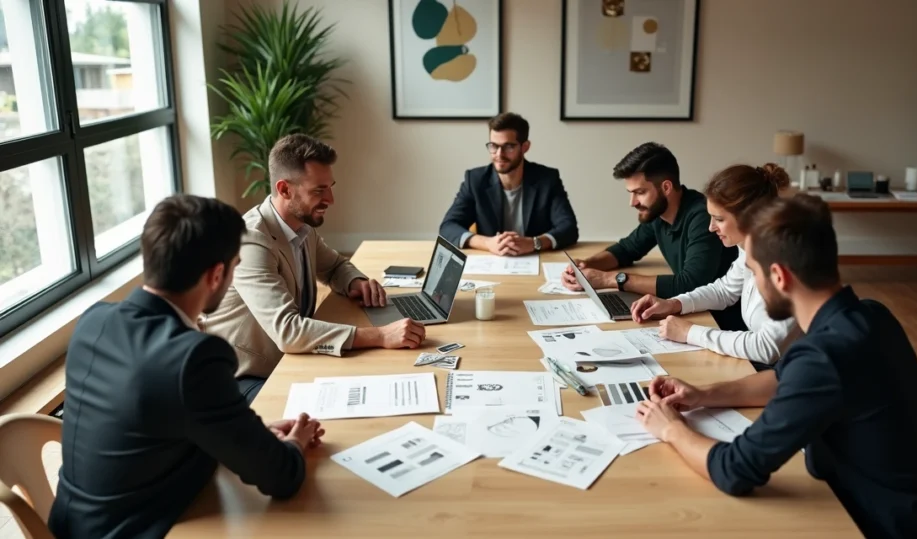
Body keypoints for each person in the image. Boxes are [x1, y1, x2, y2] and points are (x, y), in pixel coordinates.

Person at [634, 194, 917, 539]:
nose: (752, 283)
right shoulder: (871, 315)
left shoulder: (822, 357)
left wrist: (671, 429)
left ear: (779, 277)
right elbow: (780, 380)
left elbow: (734, 469)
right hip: (911, 516)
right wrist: (703, 395)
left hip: (871, 527)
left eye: (753, 271)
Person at [50, 194, 325, 539]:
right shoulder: (195, 358)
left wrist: (249, 436)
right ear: (217, 275)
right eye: (235, 266)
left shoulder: (94, 321)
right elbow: (281, 478)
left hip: (72, 526)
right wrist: (295, 442)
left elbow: (150, 423)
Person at [203, 134, 425, 403]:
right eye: (319, 190)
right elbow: (288, 332)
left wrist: (356, 282)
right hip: (245, 377)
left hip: (290, 360)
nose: (330, 199)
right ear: (285, 190)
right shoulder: (252, 242)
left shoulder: (302, 228)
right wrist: (380, 335)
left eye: (330, 187)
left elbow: (335, 266)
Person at [629, 163, 802, 368]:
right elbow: (724, 290)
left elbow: (766, 348)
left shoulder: (788, 265)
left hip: (793, 374)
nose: (711, 227)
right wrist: (674, 303)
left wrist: (690, 332)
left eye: (719, 219)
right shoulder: (748, 248)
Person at [561, 142, 738, 324]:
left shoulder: (702, 216)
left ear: (666, 188)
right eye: (631, 193)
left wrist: (609, 279)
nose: (632, 202)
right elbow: (626, 249)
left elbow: (690, 283)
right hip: (692, 311)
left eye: (640, 192)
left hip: (719, 320)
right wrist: (586, 265)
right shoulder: (658, 214)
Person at [439, 112, 579, 256]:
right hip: (491, 261)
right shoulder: (475, 180)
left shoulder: (547, 179)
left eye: (509, 146)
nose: (499, 154)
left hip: (537, 259)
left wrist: (534, 243)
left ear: (525, 147)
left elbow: (568, 228)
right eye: (493, 146)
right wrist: (488, 243)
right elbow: (448, 227)